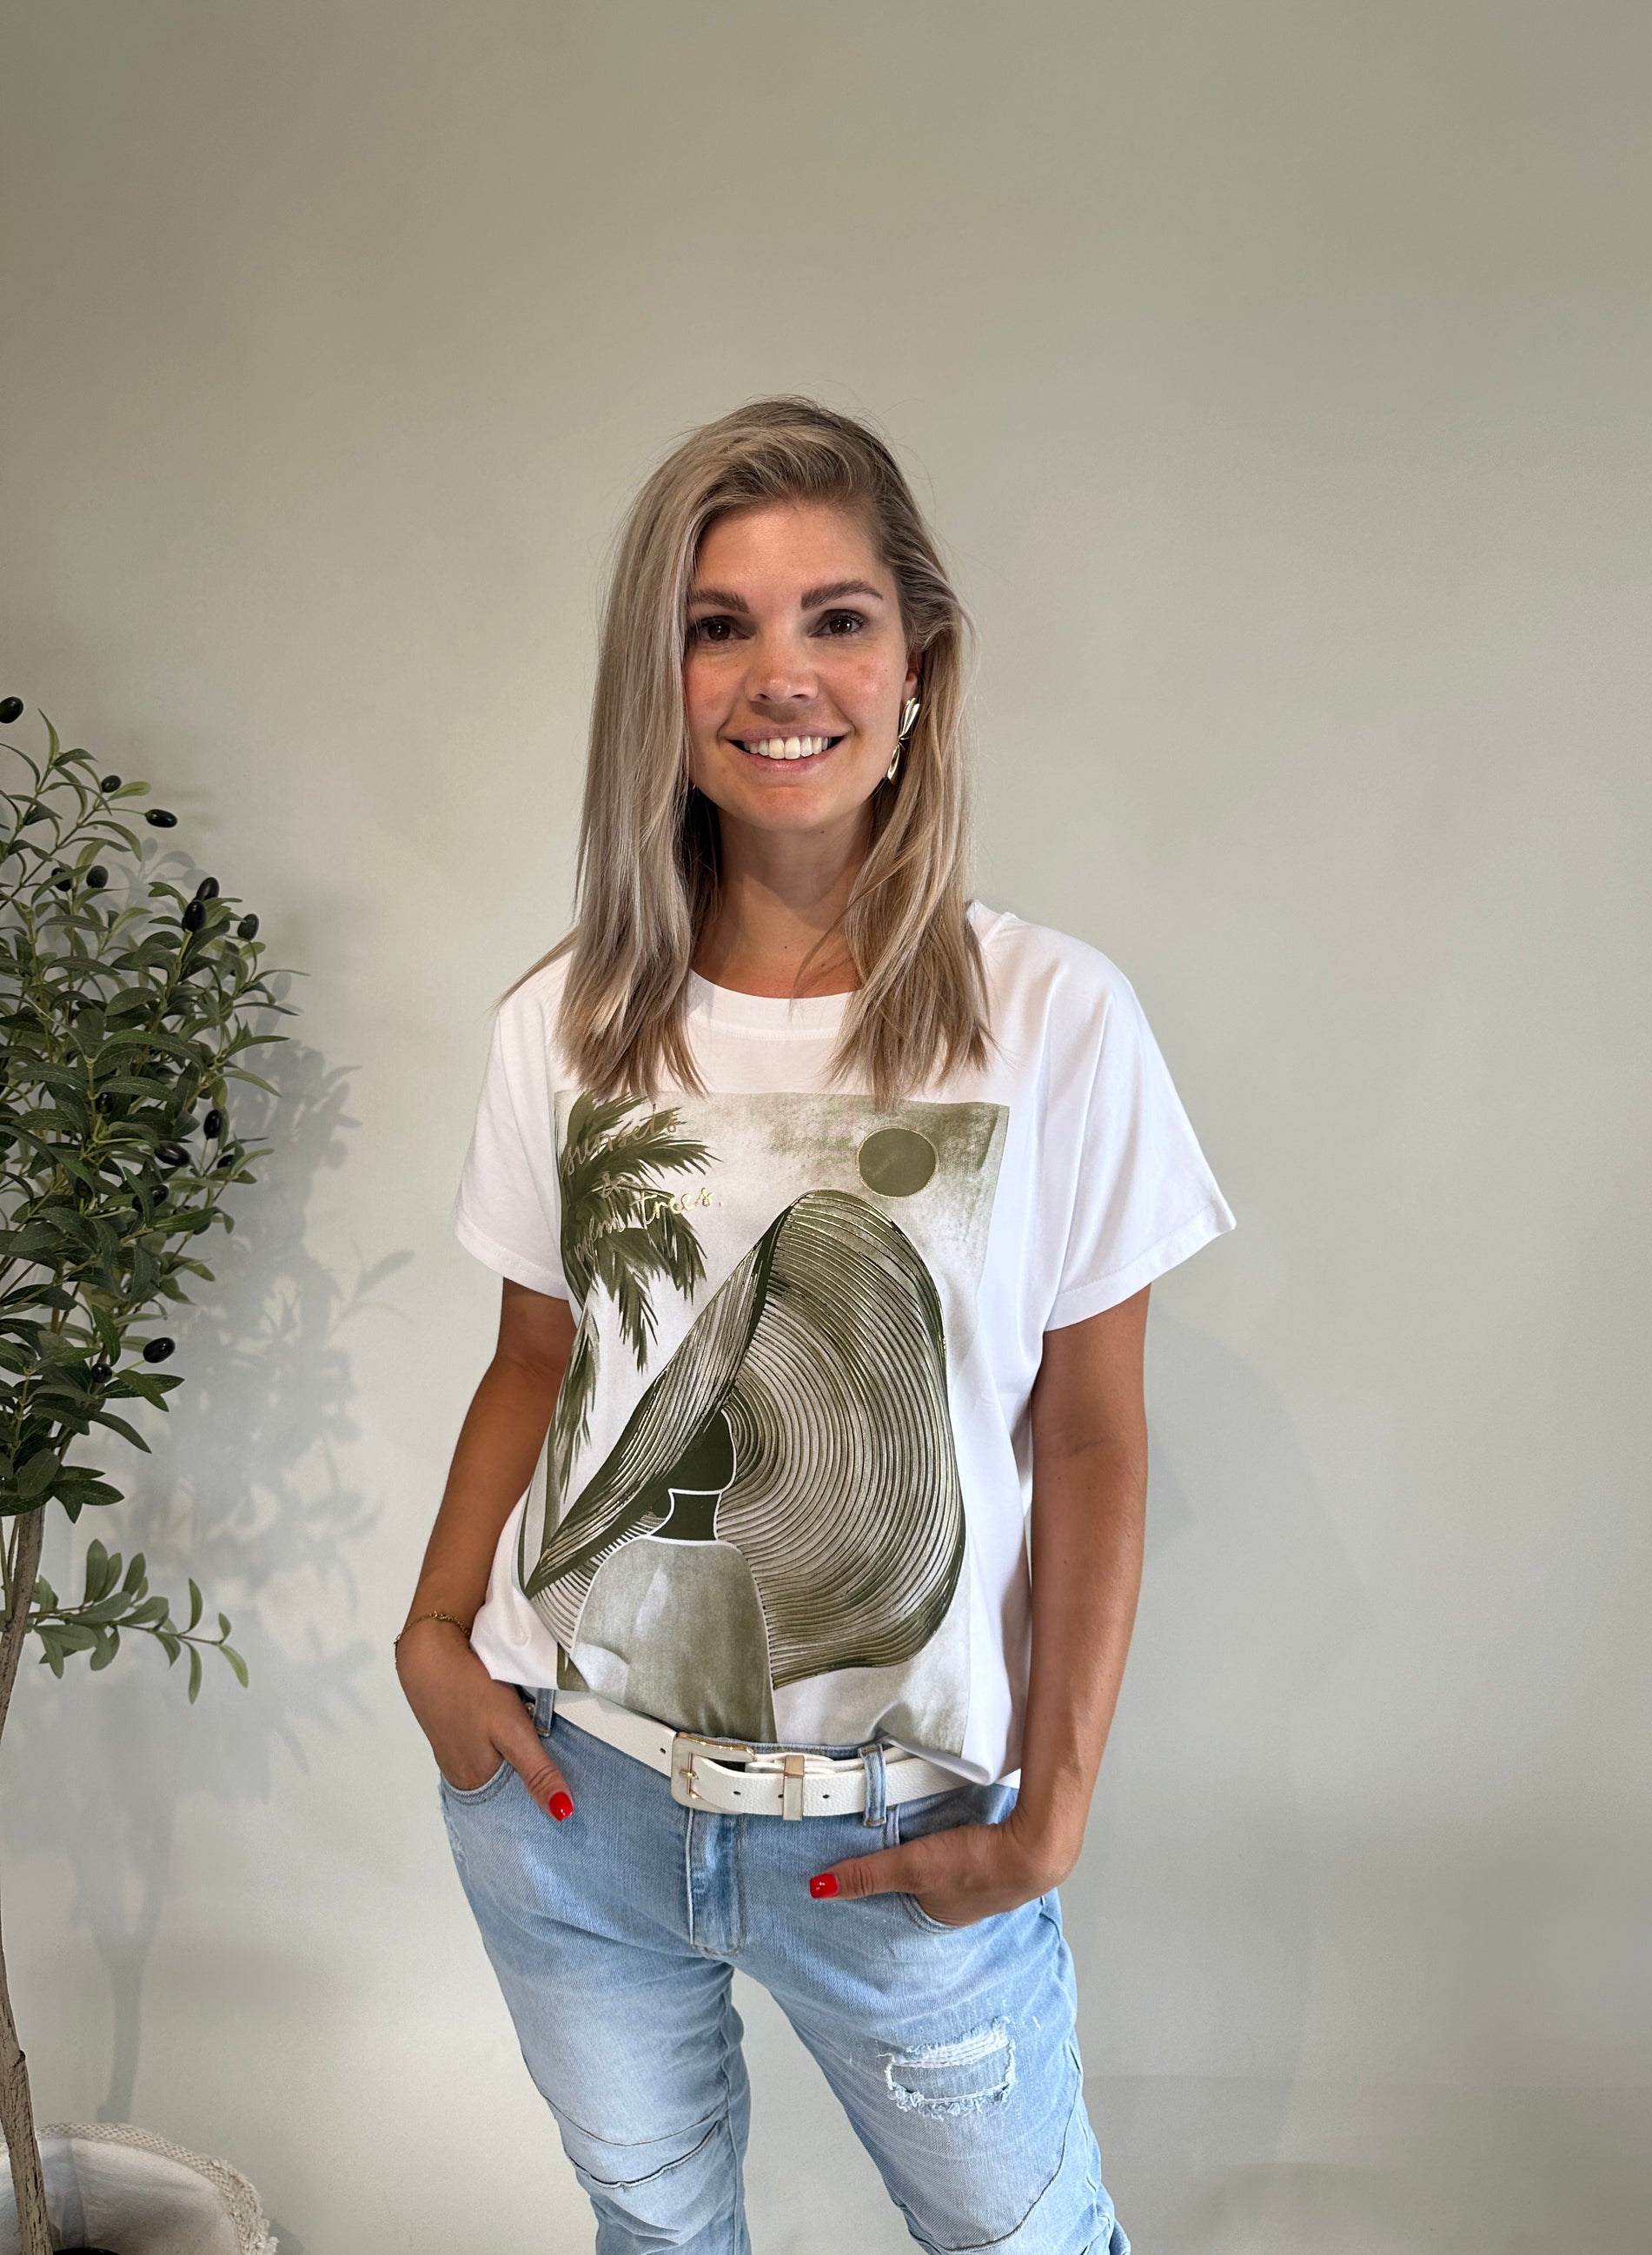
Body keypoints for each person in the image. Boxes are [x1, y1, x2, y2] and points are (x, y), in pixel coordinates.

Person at [395, 396, 1234, 2254]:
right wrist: (436, 1635)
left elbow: (1093, 1430)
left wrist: (1052, 1812)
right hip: (572, 1801)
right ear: (662, 680)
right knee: (654, 2230)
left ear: (917, 664)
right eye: (720, 625)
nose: (780, 675)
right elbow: (538, 1357)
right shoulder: (567, 1018)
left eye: (835, 618)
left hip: (899, 1834)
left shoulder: (1053, 1016)